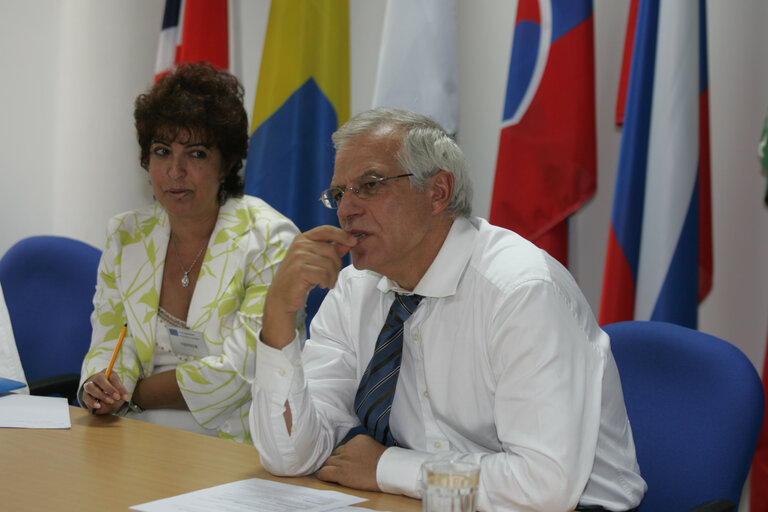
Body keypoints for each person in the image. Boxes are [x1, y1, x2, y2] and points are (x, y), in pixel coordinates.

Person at [249, 107, 647, 511]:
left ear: (437, 192)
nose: (346, 209)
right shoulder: (355, 289)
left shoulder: (521, 292)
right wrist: (279, 316)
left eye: (369, 185)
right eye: (339, 193)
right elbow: (290, 456)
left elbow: (543, 487)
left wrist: (388, 466)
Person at [78, 63, 301, 443]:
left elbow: (241, 373)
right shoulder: (127, 235)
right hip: (131, 435)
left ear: (227, 163)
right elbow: (110, 341)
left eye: (196, 154)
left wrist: (131, 393)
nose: (175, 171)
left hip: (236, 441)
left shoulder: (270, 239)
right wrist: (100, 384)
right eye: (162, 151)